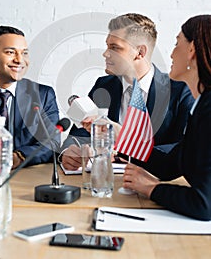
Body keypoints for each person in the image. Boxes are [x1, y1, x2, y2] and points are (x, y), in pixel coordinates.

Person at [60, 13, 194, 170]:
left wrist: (126, 143)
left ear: (140, 53)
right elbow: (78, 134)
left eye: (115, 47)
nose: (105, 53)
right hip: (106, 182)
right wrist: (69, 152)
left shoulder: (181, 92)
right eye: (107, 46)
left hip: (154, 183)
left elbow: (181, 150)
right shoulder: (103, 86)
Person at [122, 15, 211, 220]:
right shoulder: (201, 107)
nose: (171, 54)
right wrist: (123, 138)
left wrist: (152, 188)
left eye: (176, 43)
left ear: (191, 51)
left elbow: (204, 204)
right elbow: (171, 165)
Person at [0, 25, 60, 170]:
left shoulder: (43, 95)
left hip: (22, 178)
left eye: (24, 53)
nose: (19, 60)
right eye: (10, 52)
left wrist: (17, 157)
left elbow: (51, 143)